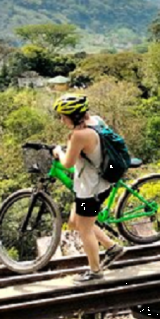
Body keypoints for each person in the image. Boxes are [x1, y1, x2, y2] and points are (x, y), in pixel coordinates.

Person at [52, 94, 125, 282]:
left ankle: (95, 271)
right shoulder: (96, 121)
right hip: (99, 182)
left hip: (91, 189)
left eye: (63, 116)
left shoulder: (79, 135)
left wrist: (59, 151)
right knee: (74, 223)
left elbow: (67, 163)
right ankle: (112, 247)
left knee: (85, 230)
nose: (62, 120)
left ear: (74, 116)